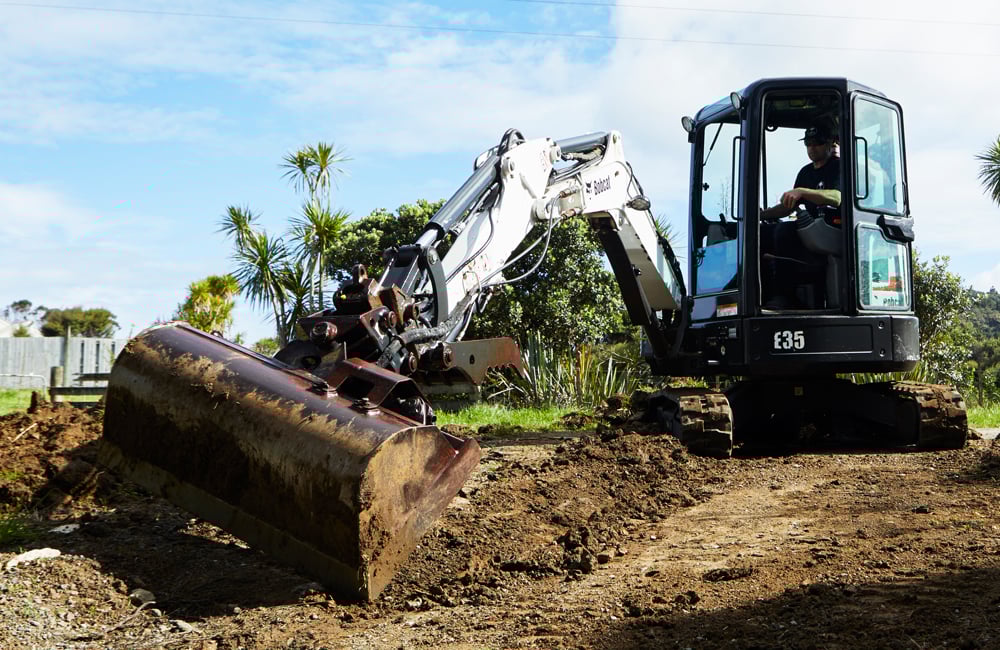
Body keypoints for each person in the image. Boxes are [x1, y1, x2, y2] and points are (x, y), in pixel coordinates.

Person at [760, 124, 841, 308]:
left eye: (817, 143)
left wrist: (802, 192)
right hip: (809, 231)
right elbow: (788, 208)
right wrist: (760, 215)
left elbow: (837, 197)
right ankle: (761, 295)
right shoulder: (806, 172)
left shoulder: (838, 166)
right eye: (808, 143)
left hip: (832, 231)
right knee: (760, 234)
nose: (812, 148)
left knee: (785, 231)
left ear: (830, 143)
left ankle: (785, 296)